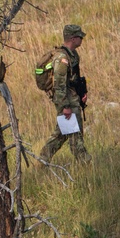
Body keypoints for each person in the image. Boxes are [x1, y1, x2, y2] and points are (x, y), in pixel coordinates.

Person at [39, 24, 90, 164]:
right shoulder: (61, 59)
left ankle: (43, 159)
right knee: (75, 136)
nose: (82, 39)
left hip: (73, 98)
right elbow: (59, 86)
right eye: (80, 37)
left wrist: (81, 94)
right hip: (67, 101)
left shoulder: (73, 55)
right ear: (73, 38)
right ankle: (86, 164)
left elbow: (74, 79)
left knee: (62, 134)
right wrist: (65, 107)